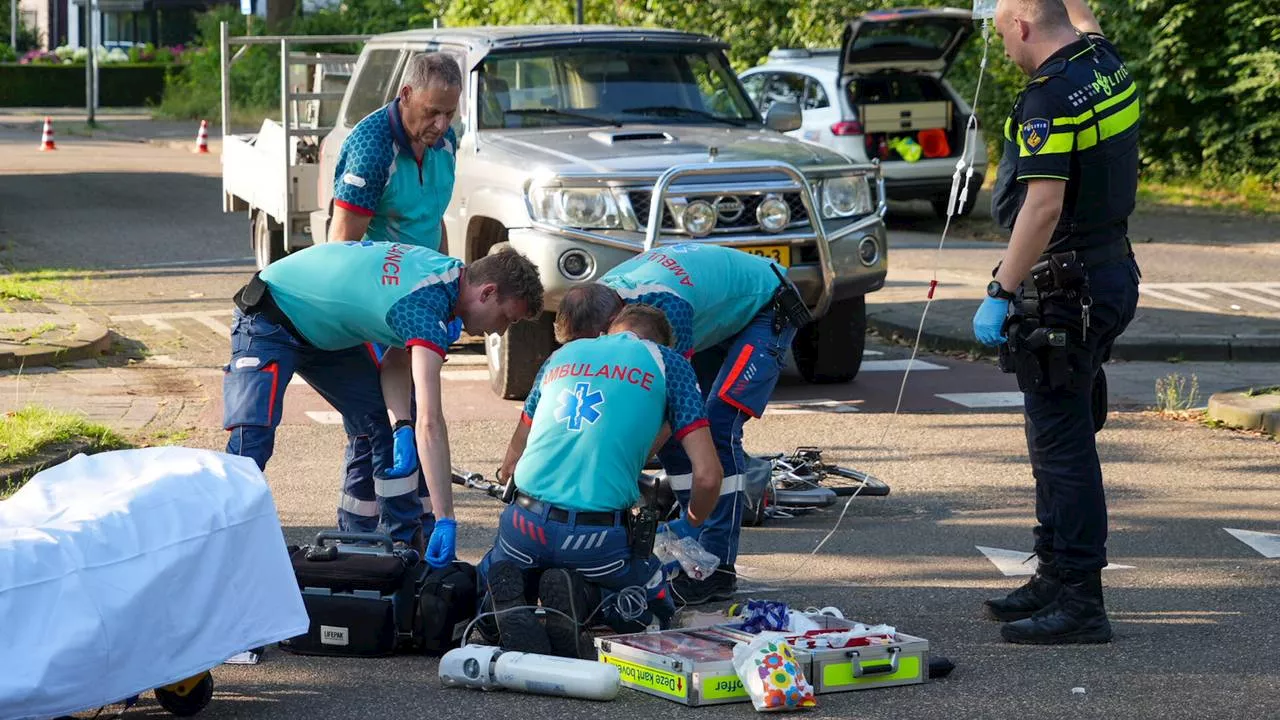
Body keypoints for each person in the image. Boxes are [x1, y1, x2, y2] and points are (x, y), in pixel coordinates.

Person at [974, 0, 1142, 645]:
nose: (1007, 52)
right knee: (1057, 433)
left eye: (1003, 34)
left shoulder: (1049, 99)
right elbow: (1083, 16)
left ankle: (1080, 597)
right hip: (1109, 271)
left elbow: (1041, 208)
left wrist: (1000, 288)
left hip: (1065, 288)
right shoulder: (1103, 65)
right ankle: (1052, 575)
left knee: (1061, 445)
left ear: (1021, 24)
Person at [222, 241, 543, 567]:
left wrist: (401, 423)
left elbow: (395, 362)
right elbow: (431, 423)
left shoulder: (448, 278)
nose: (500, 332)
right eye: (506, 318)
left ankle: (374, 555)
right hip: (269, 316)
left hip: (323, 332)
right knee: (252, 437)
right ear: (487, 293)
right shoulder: (425, 305)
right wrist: (447, 517)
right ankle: (222, 543)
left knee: (379, 422)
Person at [547, 242, 807, 605]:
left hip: (766, 308)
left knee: (715, 427)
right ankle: (692, 549)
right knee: (677, 439)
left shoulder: (664, 308)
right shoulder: (599, 298)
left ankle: (716, 568)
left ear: (615, 323)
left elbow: (671, 404)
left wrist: (621, 462)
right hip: (719, 310)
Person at [478, 304, 723, 658]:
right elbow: (708, 475)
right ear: (663, 342)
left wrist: (507, 477)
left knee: (507, 565)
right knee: (649, 601)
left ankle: (500, 609)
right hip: (595, 540)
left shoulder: (564, 353)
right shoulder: (670, 365)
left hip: (524, 525)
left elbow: (513, 457)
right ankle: (584, 601)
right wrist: (693, 521)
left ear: (611, 328)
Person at [327, 51, 465, 522]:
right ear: (405, 95)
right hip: (372, 306)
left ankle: (415, 535)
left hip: (418, 303)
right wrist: (359, 328)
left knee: (415, 419)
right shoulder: (373, 146)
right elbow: (341, 245)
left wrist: (447, 282)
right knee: (376, 431)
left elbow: (432, 217)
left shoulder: (448, 142)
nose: (442, 123)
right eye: (432, 112)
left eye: (451, 111)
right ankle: (359, 541)